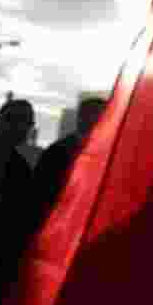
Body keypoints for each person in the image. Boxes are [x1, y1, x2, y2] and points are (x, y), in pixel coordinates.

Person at [31, 97, 108, 228]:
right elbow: (41, 194)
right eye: (97, 115)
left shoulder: (103, 153)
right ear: (82, 118)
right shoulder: (57, 152)